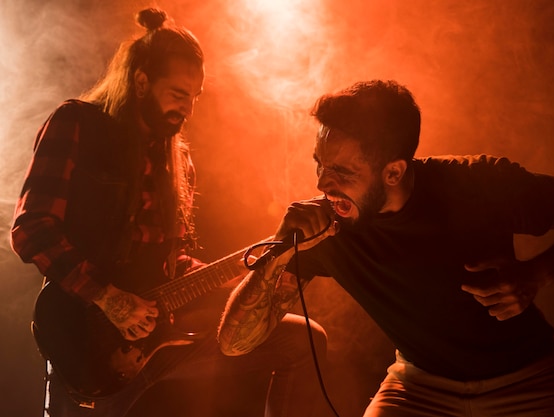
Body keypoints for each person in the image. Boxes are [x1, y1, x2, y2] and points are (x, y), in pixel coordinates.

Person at [218, 79, 554, 417]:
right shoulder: (326, 227)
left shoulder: (478, 183)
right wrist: (280, 248)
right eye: (319, 165)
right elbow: (234, 343)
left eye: (341, 172)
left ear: (394, 171)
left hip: (527, 381)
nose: (324, 184)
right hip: (418, 386)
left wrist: (538, 273)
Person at [10, 8, 327, 417]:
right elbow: (32, 229)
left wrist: (248, 272)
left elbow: (169, 260)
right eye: (178, 95)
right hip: (87, 347)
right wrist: (107, 298)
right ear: (141, 82)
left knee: (303, 342)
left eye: (194, 98)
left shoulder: (178, 162)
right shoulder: (77, 124)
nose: (188, 110)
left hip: (162, 342)